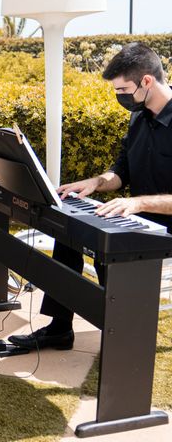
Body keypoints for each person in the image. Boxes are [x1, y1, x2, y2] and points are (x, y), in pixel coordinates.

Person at [9, 42, 172, 351]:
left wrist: (137, 203)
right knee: (69, 228)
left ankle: (124, 330)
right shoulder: (139, 118)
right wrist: (95, 183)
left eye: (123, 89)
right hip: (139, 220)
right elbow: (121, 170)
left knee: (105, 246)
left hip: (165, 226)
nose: (120, 97)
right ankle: (60, 328)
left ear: (147, 81)